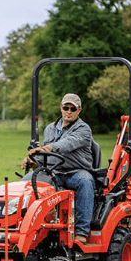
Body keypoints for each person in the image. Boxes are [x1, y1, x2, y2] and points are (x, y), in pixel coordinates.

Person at [22, 93, 96, 240]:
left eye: (72, 109)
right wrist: (34, 163)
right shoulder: (50, 128)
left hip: (76, 171)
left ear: (79, 110)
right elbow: (44, 157)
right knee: (26, 181)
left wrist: (49, 148)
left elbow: (68, 143)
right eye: (66, 108)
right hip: (54, 172)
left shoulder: (83, 129)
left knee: (86, 181)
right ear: (61, 108)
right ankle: (23, 225)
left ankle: (81, 231)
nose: (68, 111)